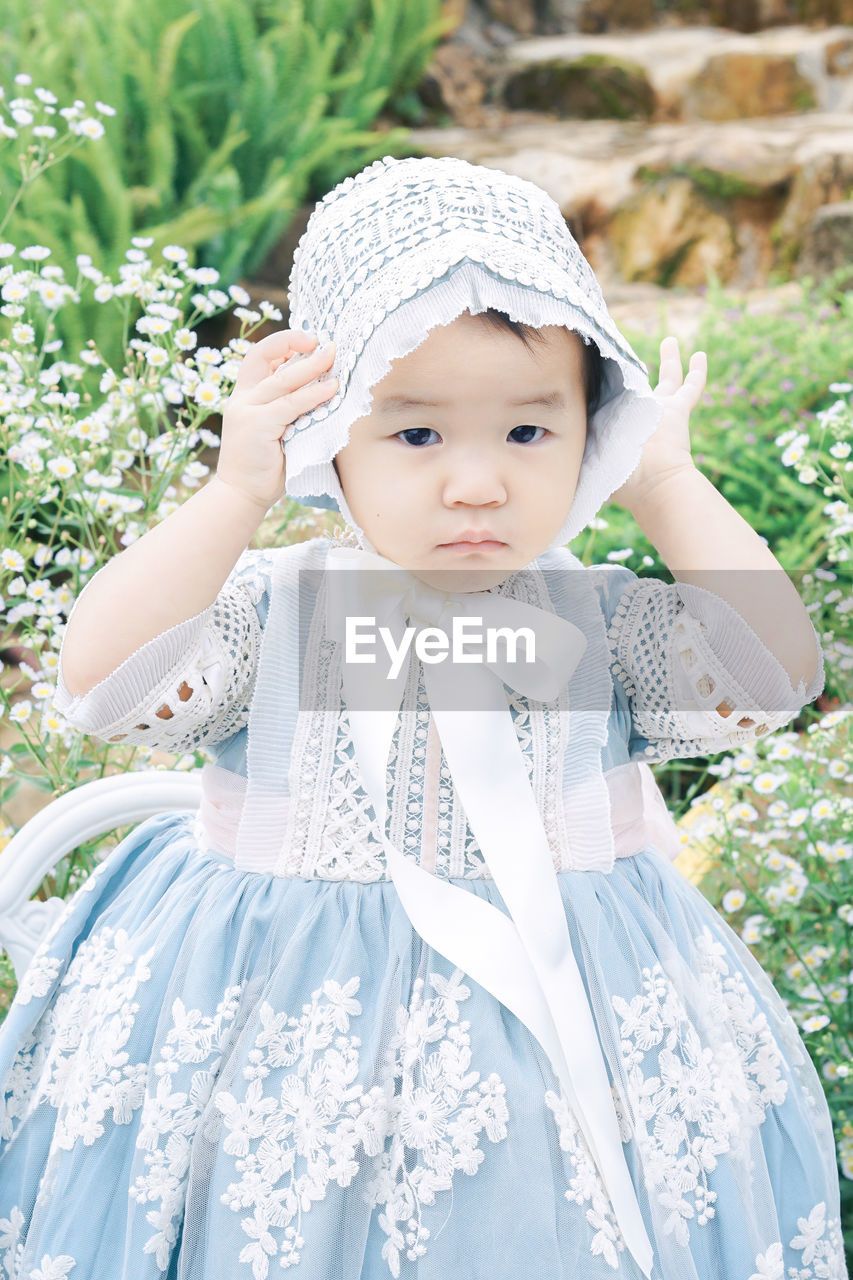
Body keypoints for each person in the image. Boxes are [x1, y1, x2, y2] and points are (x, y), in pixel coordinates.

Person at [0, 154, 847, 1280]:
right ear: (328, 434)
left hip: (565, 1012)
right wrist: (230, 492)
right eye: (415, 435)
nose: (476, 483)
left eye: (528, 433)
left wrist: (667, 485)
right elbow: (101, 681)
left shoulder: (594, 617)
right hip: (289, 1021)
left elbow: (770, 674)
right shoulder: (274, 610)